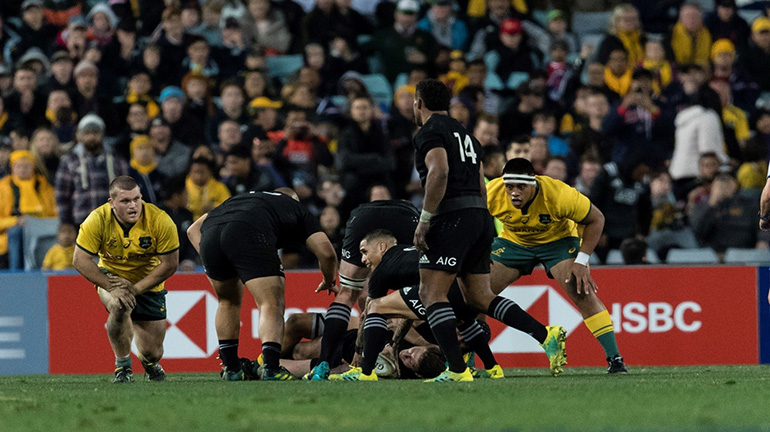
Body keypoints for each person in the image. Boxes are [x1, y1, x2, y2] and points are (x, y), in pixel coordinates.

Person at [412, 79, 550, 382]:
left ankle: (458, 370)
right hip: (479, 215)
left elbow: (440, 171)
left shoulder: (429, 132)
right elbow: (479, 182)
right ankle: (545, 334)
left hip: (452, 215)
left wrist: (425, 219)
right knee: (478, 297)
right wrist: (481, 223)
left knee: (431, 292)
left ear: (418, 102)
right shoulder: (469, 137)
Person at [487, 158, 628, 373]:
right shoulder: (492, 192)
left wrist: (582, 260)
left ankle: (615, 359)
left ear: (533, 184)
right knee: (476, 294)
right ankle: (468, 364)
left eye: (521, 187)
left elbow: (596, 219)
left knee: (582, 292)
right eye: (510, 187)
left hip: (558, 242)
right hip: (514, 242)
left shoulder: (559, 194)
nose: (514, 193)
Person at [187, 188, 338, 381]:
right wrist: (328, 280)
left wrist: (219, 259)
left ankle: (232, 368)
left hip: (210, 236)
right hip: (248, 232)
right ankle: (271, 367)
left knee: (227, 302)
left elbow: (192, 230)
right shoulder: (296, 208)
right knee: (271, 303)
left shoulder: (244, 199)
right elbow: (326, 253)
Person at [72, 176, 180, 383]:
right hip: (112, 277)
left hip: (148, 283)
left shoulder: (160, 220)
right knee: (119, 305)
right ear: (111, 203)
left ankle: (148, 362)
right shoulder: (97, 219)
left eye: (137, 199)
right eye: (125, 201)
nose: (133, 206)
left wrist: (136, 289)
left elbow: (169, 264)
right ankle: (122, 366)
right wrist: (110, 286)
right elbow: (80, 260)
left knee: (152, 352)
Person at [302, 198, 419, 381]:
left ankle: (322, 364)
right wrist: (393, 346)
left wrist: (359, 349)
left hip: (364, 215)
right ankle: (456, 362)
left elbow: (368, 306)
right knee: (418, 295)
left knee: (347, 293)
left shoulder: (378, 277)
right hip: (406, 216)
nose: (364, 260)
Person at [0, 150, 57, 269]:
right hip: (10, 235)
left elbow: (55, 214)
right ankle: (16, 272)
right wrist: (15, 221)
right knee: (16, 232)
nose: (23, 169)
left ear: (33, 167)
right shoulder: (3, 188)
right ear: (12, 168)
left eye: (27, 166)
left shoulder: (45, 187)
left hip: (42, 231)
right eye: (18, 166)